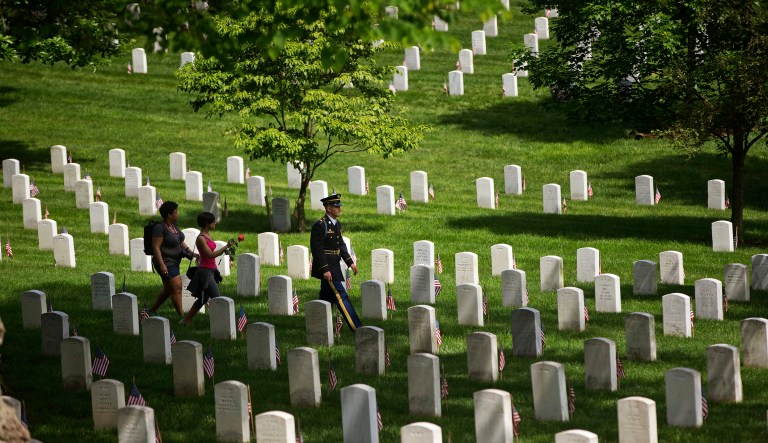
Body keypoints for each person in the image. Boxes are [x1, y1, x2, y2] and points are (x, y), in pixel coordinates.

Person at [310, 194, 362, 331]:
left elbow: (341, 245)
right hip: (328, 267)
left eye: (339, 206)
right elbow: (317, 250)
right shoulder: (320, 226)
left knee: (326, 299)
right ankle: (357, 327)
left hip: (335, 265)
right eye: (336, 206)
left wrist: (350, 263)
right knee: (341, 296)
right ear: (328, 208)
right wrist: (325, 269)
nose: (339, 208)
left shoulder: (336, 224)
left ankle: (320, 327)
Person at [180, 211, 234, 325]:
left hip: (212, 270)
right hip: (205, 272)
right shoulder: (201, 238)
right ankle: (222, 323)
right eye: (212, 221)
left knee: (204, 299)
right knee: (217, 298)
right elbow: (210, 255)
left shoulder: (208, 235)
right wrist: (225, 247)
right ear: (206, 223)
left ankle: (187, 319)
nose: (215, 223)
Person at [150, 201, 198, 317]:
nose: (178, 215)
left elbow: (180, 242)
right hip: (166, 262)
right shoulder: (159, 228)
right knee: (176, 288)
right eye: (175, 213)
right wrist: (162, 265)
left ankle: (151, 310)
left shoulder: (173, 227)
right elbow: (156, 247)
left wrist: (193, 254)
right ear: (169, 215)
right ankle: (183, 317)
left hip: (174, 262)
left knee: (168, 289)